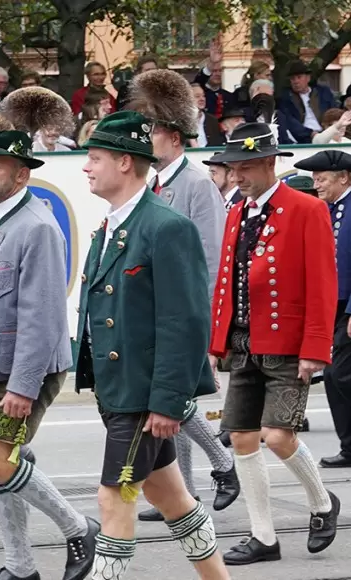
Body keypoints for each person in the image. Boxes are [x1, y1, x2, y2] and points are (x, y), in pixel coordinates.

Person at [76, 111, 229, 579]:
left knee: (113, 496)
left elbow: (184, 322)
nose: (87, 167)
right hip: (119, 389)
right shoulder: (112, 225)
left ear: (125, 163)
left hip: (143, 396)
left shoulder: (166, 226)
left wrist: (168, 401)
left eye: (95, 158)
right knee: (170, 497)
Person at [0, 129, 98, 580]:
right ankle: (20, 566)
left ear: (22, 173)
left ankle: (78, 528)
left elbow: (43, 315)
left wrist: (23, 386)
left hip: (23, 368)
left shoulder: (38, 226)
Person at [208, 122, 340, 565]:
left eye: (245, 167)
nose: (237, 175)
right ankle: (263, 537)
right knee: (243, 438)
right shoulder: (236, 211)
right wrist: (218, 338)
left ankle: (323, 503)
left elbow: (323, 283)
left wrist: (315, 348)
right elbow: (227, 280)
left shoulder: (305, 208)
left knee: (278, 436)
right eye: (233, 168)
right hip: (244, 341)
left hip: (288, 342)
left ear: (269, 163)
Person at [126, 69, 240, 522]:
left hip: (183, 312)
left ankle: (223, 462)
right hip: (153, 311)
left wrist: (209, 325)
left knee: (174, 398)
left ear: (172, 135)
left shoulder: (194, 185)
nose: (143, 137)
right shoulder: (151, 185)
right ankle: (187, 488)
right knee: (167, 398)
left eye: (149, 129)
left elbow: (211, 260)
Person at [293, 150, 351, 469]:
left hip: (347, 307)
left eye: (322, 178)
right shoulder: (326, 210)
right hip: (332, 306)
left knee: (339, 374)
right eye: (314, 179)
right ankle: (349, 445)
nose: (316, 184)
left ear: (343, 177)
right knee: (334, 376)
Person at [278, 61, 338, 144]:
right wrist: (311, 134)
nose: (296, 81)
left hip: (326, 132)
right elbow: (290, 121)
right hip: (303, 137)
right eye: (293, 78)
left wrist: (329, 130)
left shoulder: (323, 92)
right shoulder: (286, 98)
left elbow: (334, 112)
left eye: (299, 77)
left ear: (308, 78)